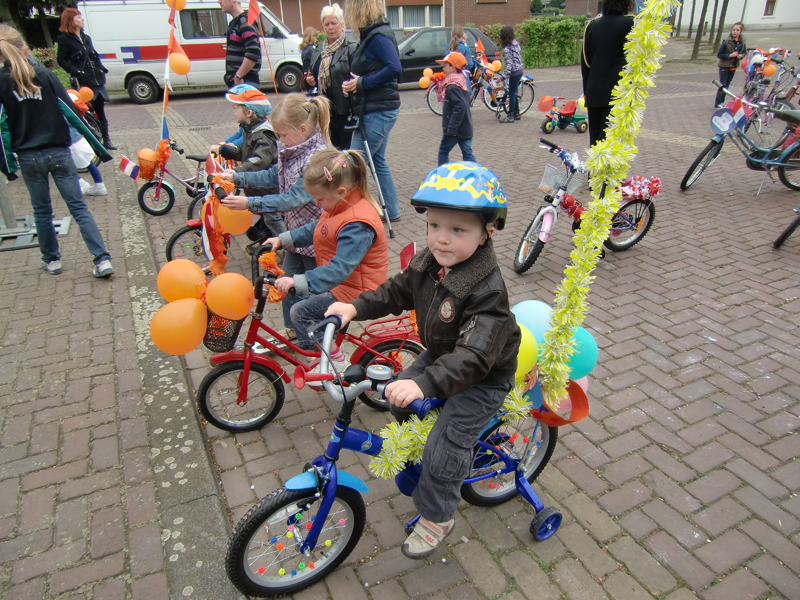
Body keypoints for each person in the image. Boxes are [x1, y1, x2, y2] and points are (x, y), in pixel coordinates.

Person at [325, 162, 520, 559]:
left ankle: (437, 514)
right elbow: (396, 291)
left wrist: (424, 383)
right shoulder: (430, 263)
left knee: (445, 444)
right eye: (434, 226)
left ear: (487, 233)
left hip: (482, 377)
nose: (441, 239)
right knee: (402, 405)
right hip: (442, 353)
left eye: (457, 230)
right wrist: (353, 308)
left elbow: (475, 356)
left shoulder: (487, 292)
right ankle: (421, 456)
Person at [0, 24, 114, 277]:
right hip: (59, 152)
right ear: (24, 48)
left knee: (42, 211)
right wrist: (98, 147)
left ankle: (52, 260)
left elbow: (2, 126)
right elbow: (72, 113)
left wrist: (7, 165)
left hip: (28, 156)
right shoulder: (46, 76)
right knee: (79, 208)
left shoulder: (1, 82)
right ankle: (102, 259)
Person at [264, 149, 388, 378]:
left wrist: (297, 281)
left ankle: (336, 366)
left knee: (300, 311)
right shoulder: (338, 206)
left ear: (341, 191)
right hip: (345, 284)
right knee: (313, 314)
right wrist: (281, 240)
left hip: (360, 290)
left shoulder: (357, 224)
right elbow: (318, 229)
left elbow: (340, 269)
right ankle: (327, 351)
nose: (317, 204)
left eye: (319, 199)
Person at [220, 94, 332, 338]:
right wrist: (237, 177)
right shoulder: (291, 147)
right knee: (283, 283)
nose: (279, 141)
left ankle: (311, 340)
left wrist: (250, 203)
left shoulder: (316, 159)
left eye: (282, 135)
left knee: (308, 292)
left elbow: (292, 198)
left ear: (302, 129)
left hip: (313, 238)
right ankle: (293, 330)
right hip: (293, 237)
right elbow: (273, 176)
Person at [343, 0, 402, 222]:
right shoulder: (375, 33)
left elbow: (394, 68)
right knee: (377, 160)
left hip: (379, 110)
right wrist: (356, 85)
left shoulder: (377, 36)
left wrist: (361, 84)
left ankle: (352, 213)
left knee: (352, 164)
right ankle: (392, 210)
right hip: (379, 108)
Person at [211, 86, 280, 238]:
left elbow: (259, 160)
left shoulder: (263, 134)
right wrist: (225, 150)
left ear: (249, 113)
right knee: (264, 216)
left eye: (236, 108)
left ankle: (287, 244)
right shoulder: (250, 129)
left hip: (267, 187)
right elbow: (244, 151)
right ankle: (267, 236)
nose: (234, 111)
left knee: (271, 217)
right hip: (257, 187)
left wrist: (237, 171)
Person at [56, 8, 116, 149]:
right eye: (78, 17)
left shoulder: (86, 38)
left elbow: (93, 56)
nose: (82, 19)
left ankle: (106, 140)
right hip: (83, 82)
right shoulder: (64, 39)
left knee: (101, 112)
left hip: (96, 79)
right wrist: (76, 72)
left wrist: (101, 69)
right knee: (86, 113)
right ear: (70, 20)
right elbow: (61, 59)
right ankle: (93, 141)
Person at [580, 0, 634, 147]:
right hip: (618, 93)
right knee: (611, 145)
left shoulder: (592, 26)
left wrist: (587, 92)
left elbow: (586, 64)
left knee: (596, 143)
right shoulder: (632, 24)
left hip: (594, 92)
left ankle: (594, 171)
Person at [305, 4, 357, 150]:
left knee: (346, 150)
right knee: (329, 149)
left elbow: (355, 79)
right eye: (326, 24)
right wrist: (308, 81)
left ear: (342, 24)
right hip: (324, 110)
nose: (330, 27)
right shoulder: (319, 50)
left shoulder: (351, 49)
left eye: (334, 23)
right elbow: (310, 76)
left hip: (344, 109)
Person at [436, 53, 475, 165]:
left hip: (455, 129)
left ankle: (442, 177)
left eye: (445, 66)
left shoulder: (452, 86)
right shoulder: (462, 82)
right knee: (467, 154)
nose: (443, 69)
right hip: (466, 126)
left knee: (443, 151)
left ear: (452, 68)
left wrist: (452, 128)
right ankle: (476, 177)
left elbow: (460, 106)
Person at [219, 0, 261, 88]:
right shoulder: (234, 23)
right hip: (240, 81)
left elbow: (253, 52)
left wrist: (238, 76)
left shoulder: (244, 22)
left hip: (245, 82)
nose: (219, 1)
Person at [715, 23, 746, 109]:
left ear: (741, 31)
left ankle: (722, 101)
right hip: (724, 66)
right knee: (723, 85)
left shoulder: (741, 42)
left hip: (733, 66)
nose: (735, 32)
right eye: (733, 30)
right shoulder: (726, 42)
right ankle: (718, 103)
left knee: (727, 85)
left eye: (737, 30)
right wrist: (729, 55)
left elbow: (744, 51)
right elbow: (719, 54)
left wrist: (741, 56)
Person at [498, 26, 523, 124]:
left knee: (512, 93)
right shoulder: (516, 44)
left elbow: (509, 66)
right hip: (520, 70)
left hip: (514, 73)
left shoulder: (507, 49)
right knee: (514, 92)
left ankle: (511, 115)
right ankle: (517, 113)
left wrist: (502, 78)